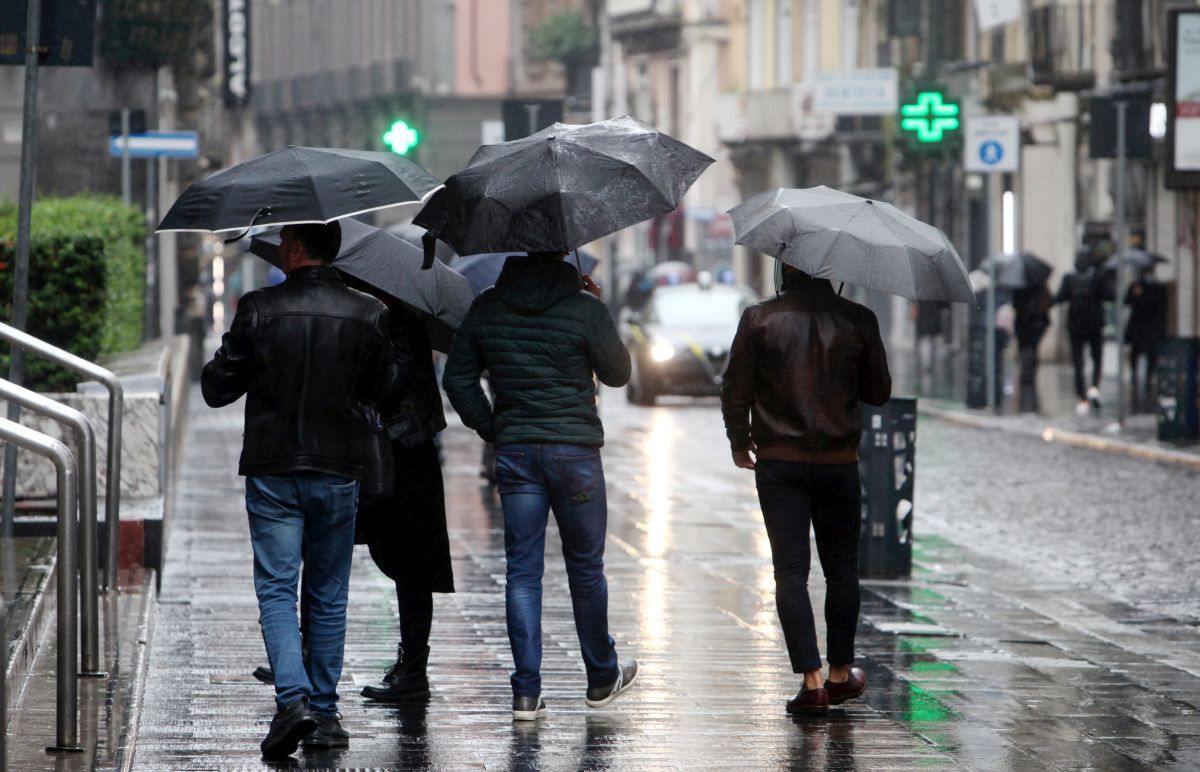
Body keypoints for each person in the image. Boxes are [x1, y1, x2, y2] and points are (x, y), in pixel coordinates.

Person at [201, 222, 393, 758]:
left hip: (274, 467)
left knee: (278, 589)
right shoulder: (369, 312)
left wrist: (239, 354)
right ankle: (326, 715)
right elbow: (381, 389)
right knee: (329, 594)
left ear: (295, 249)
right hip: (338, 468)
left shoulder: (259, 308)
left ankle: (293, 701)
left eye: (286, 239)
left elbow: (217, 387)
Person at [442, 251, 638, 722]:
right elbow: (618, 373)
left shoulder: (489, 305)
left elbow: (457, 377)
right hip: (575, 455)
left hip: (518, 454)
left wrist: (492, 427)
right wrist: (595, 306)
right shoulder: (584, 307)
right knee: (586, 569)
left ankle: (526, 692)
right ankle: (600, 678)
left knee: (523, 572)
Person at [721, 266, 891, 715]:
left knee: (791, 572)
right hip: (838, 463)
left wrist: (740, 443)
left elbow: (734, 389)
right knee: (842, 569)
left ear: (784, 270)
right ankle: (840, 674)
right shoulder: (859, 319)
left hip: (780, 463)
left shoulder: (760, 318)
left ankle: (812, 682)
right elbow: (880, 392)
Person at [357, 300, 455, 702]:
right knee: (399, 562)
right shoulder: (385, 316)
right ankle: (410, 666)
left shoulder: (395, 320)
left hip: (405, 454)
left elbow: (390, 382)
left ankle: (413, 668)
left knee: (411, 565)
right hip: (391, 452)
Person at [1053, 252, 1110, 415]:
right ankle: (1094, 389)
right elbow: (1110, 294)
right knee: (1097, 359)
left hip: (1075, 326)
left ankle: (1081, 396)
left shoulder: (1069, 279)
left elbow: (1058, 298)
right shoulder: (1097, 278)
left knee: (1078, 362)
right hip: (1095, 325)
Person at [1125, 265, 1169, 411]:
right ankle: (1134, 375)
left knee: (1151, 353)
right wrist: (1135, 294)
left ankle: (1149, 378)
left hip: (1151, 327)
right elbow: (1126, 301)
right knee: (1135, 352)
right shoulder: (1136, 286)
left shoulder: (1158, 287)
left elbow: (1161, 307)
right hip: (1137, 326)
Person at [1012, 281, 1052, 413]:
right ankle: (1028, 373)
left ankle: (1027, 373)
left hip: (1030, 322)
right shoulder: (1040, 285)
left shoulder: (1021, 287)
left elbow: (1015, 304)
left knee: (1027, 348)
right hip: (1033, 322)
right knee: (1031, 349)